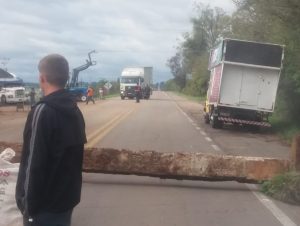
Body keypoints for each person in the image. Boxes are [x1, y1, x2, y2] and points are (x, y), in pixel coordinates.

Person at [16, 54, 87, 226]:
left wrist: (26, 205)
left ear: (42, 78)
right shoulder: (75, 110)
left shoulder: (42, 111)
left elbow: (33, 162)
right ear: (66, 77)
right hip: (65, 202)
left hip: (43, 207)